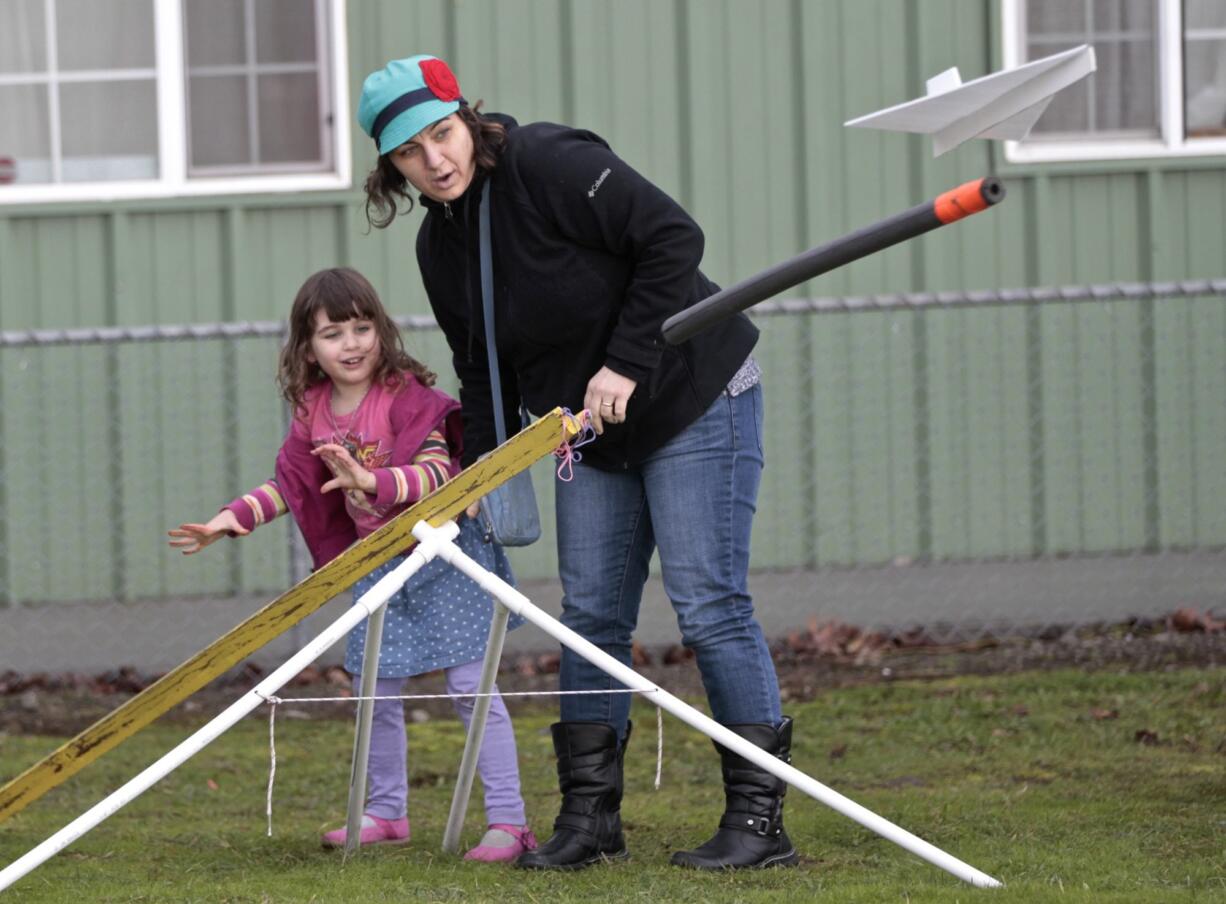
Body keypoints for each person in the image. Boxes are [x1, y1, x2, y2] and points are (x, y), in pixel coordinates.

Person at [356, 55, 798, 871]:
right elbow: (478, 365)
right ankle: (591, 822)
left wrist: (627, 360)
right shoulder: (439, 245)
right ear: (392, 167)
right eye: (412, 152)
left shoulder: (550, 163)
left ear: (468, 119)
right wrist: (482, 470)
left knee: (708, 604)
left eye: (443, 134)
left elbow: (673, 240)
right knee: (590, 619)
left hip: (696, 395)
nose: (437, 160)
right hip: (589, 436)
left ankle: (758, 824)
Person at [167, 267, 537, 863]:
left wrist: (371, 479)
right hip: (376, 567)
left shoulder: (405, 395)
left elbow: (442, 471)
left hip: (444, 559)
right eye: (333, 333)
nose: (352, 343)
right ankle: (387, 813)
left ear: (381, 331)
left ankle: (509, 822)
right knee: (374, 691)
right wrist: (233, 517)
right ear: (308, 349)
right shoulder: (314, 409)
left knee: (472, 688)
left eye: (362, 327)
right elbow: (294, 483)